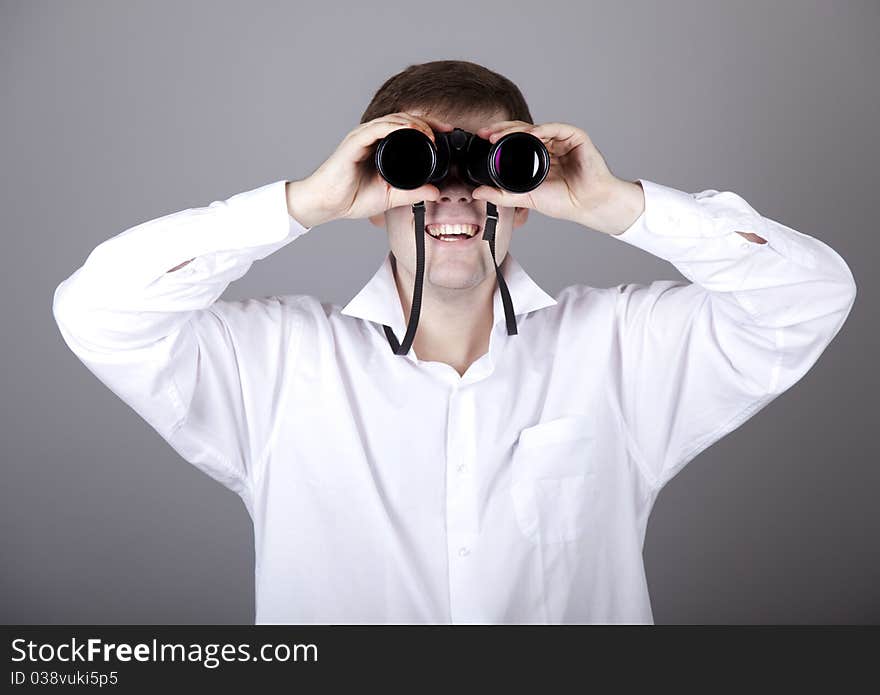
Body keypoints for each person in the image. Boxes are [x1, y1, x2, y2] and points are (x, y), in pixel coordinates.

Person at [51, 60, 856, 624]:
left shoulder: (620, 353)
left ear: (529, 194)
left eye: (495, 172)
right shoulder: (276, 368)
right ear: (374, 194)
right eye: (419, 167)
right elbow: (99, 310)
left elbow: (810, 296)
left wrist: (618, 204)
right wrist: (301, 203)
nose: (456, 194)